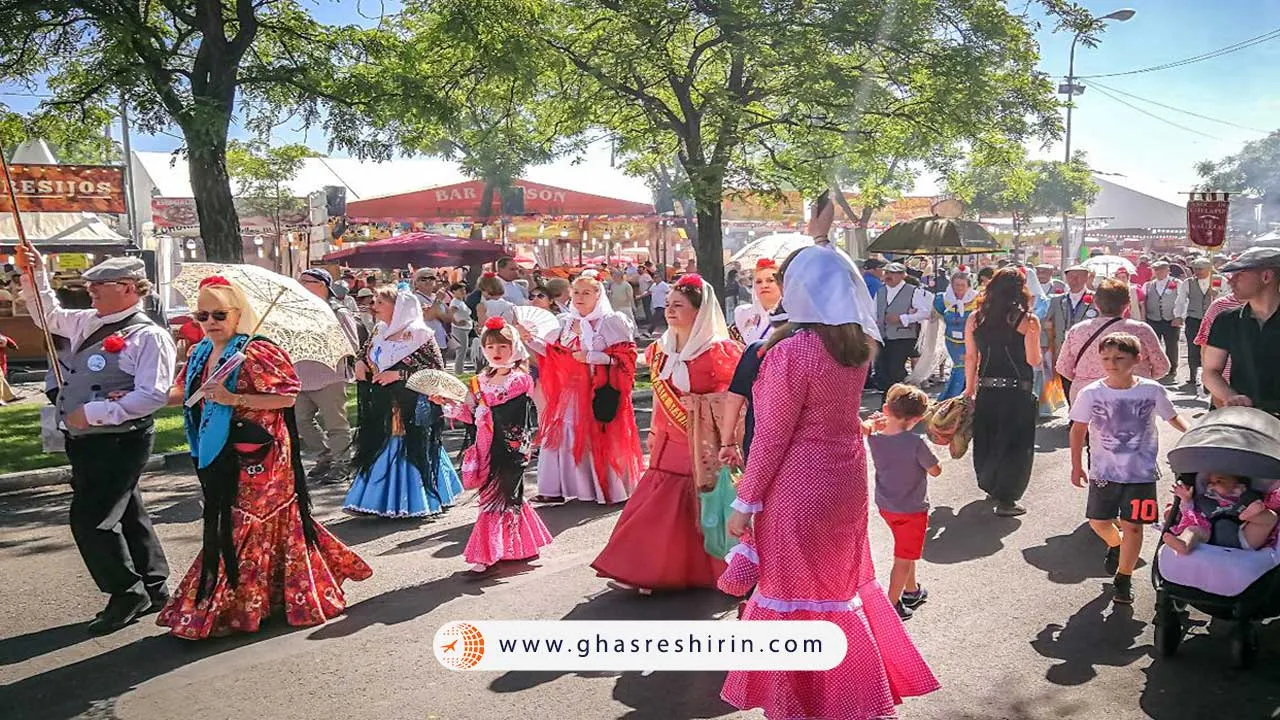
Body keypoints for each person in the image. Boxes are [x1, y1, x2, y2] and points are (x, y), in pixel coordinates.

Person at [721, 246, 936, 720]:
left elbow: (773, 436)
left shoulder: (793, 351)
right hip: (845, 481)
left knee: (792, 595)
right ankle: (850, 699)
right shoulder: (857, 347)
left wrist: (745, 500)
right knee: (838, 593)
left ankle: (800, 705)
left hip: (797, 487)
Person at [158, 276, 372, 639]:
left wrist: (233, 399)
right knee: (233, 517)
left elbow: (287, 397)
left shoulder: (258, 350)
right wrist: (144, 397)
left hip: (263, 452)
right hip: (215, 448)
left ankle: (239, 605)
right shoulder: (198, 353)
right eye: (202, 315)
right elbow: (184, 393)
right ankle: (258, 600)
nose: (210, 322)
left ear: (237, 314)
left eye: (219, 314)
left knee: (249, 522)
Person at [15, 245, 176, 635]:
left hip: (119, 440)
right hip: (88, 440)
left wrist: (92, 413)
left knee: (90, 519)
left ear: (129, 288)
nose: (92, 291)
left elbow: (152, 395)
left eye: (100, 285)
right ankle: (153, 584)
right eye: (91, 285)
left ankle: (125, 592)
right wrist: (33, 273)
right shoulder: (88, 321)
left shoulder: (147, 336)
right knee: (127, 510)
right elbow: (48, 314)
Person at [592, 274, 742, 593]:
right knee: (660, 501)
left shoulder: (720, 350)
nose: (670, 310)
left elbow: (736, 397)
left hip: (703, 440)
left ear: (699, 311)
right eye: (668, 304)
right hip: (669, 436)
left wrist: (703, 402)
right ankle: (646, 569)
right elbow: (662, 397)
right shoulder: (661, 348)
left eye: (679, 305)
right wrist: (655, 431)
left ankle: (717, 569)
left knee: (705, 502)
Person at [1069, 332, 1187, 605]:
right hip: (1103, 472)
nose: (1112, 364)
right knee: (1098, 522)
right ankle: (1116, 544)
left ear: (1137, 359)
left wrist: (1193, 432)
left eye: (1120, 358)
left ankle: (1124, 577)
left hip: (1141, 472)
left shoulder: (1151, 390)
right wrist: (1077, 465)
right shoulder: (1092, 393)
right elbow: (1077, 430)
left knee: (1134, 526)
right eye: (1106, 358)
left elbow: (1172, 416)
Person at [442, 318, 552, 573]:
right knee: (508, 497)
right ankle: (525, 544)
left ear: (513, 347)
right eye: (490, 347)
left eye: (503, 346)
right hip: (485, 446)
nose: (497, 352)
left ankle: (485, 554)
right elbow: (472, 414)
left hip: (508, 448)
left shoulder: (519, 379)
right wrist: (449, 405)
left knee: (495, 498)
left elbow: (499, 407)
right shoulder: (481, 379)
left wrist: (477, 405)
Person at [344, 289, 463, 517]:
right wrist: (359, 362)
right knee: (381, 444)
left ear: (398, 308)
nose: (374, 305)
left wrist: (398, 375)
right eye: (375, 301)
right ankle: (375, 499)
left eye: (381, 302)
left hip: (411, 403)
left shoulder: (419, 335)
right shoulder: (379, 331)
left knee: (414, 445)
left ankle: (416, 499)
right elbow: (365, 352)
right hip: (383, 402)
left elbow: (436, 371)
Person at [531, 275, 642, 504]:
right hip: (569, 392)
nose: (580, 297)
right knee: (562, 435)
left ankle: (603, 489)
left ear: (598, 295)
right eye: (576, 292)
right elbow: (554, 354)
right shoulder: (564, 322)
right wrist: (530, 339)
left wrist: (592, 357)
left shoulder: (611, 321)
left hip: (599, 389)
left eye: (586, 293)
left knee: (597, 436)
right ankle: (557, 487)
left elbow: (628, 358)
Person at [963, 267, 1042, 517]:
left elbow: (970, 357)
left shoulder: (975, 317)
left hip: (987, 387)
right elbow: (1033, 359)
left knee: (987, 437)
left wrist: (969, 388)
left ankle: (991, 485)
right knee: (1015, 443)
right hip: (1017, 390)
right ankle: (1008, 498)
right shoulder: (1027, 320)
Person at [866, 383, 942, 620]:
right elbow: (935, 470)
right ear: (918, 418)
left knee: (905, 549)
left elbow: (868, 430)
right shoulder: (916, 443)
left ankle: (911, 590)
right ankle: (891, 604)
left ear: (886, 409)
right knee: (904, 557)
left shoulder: (875, 439)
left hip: (887, 505)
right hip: (912, 508)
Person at [1056, 279, 1170, 406]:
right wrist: (1141, 376)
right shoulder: (1141, 330)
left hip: (1086, 396)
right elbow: (1162, 366)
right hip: (1133, 394)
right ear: (1127, 304)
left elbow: (1063, 366)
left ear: (1096, 303)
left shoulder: (1078, 330)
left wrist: (1085, 379)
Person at [296, 268, 359, 483]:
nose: (301, 284)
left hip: (330, 375)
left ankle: (342, 464)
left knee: (336, 424)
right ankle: (325, 456)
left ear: (322, 284)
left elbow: (352, 343)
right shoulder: (295, 311)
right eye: (300, 280)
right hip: (301, 375)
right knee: (300, 421)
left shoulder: (338, 312)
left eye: (306, 281)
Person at [1203, 247, 1280, 416]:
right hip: (1244, 418)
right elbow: (1210, 371)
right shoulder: (1226, 320)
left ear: (1266, 276)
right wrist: (1231, 396)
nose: (1231, 281)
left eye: (1239, 275)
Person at [1164, 473, 1279, 554]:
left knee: (1271, 518)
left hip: (1242, 531)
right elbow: (1190, 512)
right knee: (1193, 529)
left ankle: (1250, 514)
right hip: (1210, 534)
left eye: (1219, 481)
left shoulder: (1246, 495)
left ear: (1237, 484)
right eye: (1210, 482)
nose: (1212, 485)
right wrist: (1186, 499)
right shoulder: (1204, 499)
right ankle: (1184, 543)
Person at [873, 262, 933, 391]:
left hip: (903, 336)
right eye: (887, 272)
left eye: (893, 273)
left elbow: (925, 312)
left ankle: (899, 397)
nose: (889, 276)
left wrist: (903, 318)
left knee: (895, 370)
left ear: (902, 275)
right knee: (882, 372)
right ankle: (888, 401)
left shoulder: (913, 291)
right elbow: (873, 312)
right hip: (882, 337)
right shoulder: (880, 291)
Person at [1048, 265, 1099, 398]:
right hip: (1063, 348)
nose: (1074, 279)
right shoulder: (1057, 300)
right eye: (1071, 276)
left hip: (1087, 349)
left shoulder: (1096, 299)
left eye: (1079, 276)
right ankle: (1073, 412)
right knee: (1066, 382)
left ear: (1086, 277)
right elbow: (1046, 322)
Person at [1175, 257, 1226, 390]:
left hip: (1213, 319)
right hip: (1194, 318)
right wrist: (1178, 316)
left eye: (1200, 269)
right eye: (1195, 269)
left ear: (1208, 269)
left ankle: (1209, 378)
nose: (1197, 272)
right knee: (1193, 347)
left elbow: (1228, 297)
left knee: (1211, 349)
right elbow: (1181, 300)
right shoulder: (1188, 283)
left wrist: (1217, 294)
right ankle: (1192, 376)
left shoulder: (1218, 280)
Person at [930, 270, 977, 401]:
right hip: (952, 340)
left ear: (968, 285)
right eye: (957, 285)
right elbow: (937, 316)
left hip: (971, 341)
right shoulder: (943, 299)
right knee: (960, 366)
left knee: (966, 367)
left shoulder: (977, 299)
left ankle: (961, 397)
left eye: (963, 285)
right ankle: (953, 398)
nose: (959, 288)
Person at [1141, 260, 1181, 380]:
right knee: (1153, 345)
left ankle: (1172, 368)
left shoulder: (1176, 283)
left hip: (1170, 319)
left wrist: (1179, 316)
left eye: (1162, 269)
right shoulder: (1148, 285)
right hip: (1153, 318)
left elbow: (1182, 301)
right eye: (1156, 269)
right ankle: (1156, 367)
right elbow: (1142, 301)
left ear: (1168, 270)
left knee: (1172, 345)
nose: (1159, 272)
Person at [730, 258, 782, 346]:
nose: (764, 285)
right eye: (759, 282)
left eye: (770, 280)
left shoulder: (790, 316)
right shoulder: (743, 314)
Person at [649, 270, 671, 334]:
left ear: (660, 278)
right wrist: (639, 297)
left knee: (656, 318)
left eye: (657, 277)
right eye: (654, 277)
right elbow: (649, 292)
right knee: (666, 319)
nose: (655, 279)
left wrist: (668, 300)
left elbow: (669, 292)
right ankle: (672, 329)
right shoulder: (653, 285)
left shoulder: (663, 285)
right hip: (656, 304)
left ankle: (649, 331)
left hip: (662, 304)